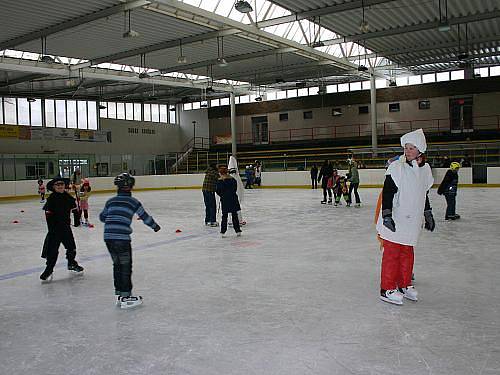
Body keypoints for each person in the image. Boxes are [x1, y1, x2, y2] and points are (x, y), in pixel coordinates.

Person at [376, 129, 435, 305]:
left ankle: (404, 284)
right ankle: (386, 289)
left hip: (413, 219)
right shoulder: (397, 167)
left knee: (407, 253)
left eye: (411, 148)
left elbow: (423, 193)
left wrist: (428, 212)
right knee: (392, 254)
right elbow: (388, 192)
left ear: (420, 151)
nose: (407, 151)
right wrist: (386, 215)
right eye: (406, 148)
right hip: (396, 217)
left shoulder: (425, 170)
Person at [99, 173, 161, 309]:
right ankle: (126, 296)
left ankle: (119, 294)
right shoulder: (133, 202)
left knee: (117, 265)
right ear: (131, 187)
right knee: (126, 266)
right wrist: (155, 226)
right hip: (122, 239)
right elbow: (144, 216)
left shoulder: (110, 201)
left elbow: (102, 217)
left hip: (108, 237)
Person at [40, 176, 84, 282]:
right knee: (52, 251)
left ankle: (72, 263)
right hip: (54, 230)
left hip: (65, 228)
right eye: (57, 185)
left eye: (62, 185)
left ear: (65, 186)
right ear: (54, 187)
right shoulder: (51, 199)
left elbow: (75, 210)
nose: (60, 186)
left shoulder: (68, 197)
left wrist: (77, 220)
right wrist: (51, 228)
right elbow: (48, 215)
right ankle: (49, 269)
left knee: (71, 247)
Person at [216, 165, 242, 238]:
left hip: (225, 200)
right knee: (234, 215)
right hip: (233, 198)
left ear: (220, 173)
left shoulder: (220, 181)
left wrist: (222, 195)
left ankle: (223, 232)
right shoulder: (233, 179)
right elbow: (234, 189)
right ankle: (238, 231)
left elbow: (218, 191)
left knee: (224, 216)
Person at [228, 156, 246, 226]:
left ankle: (234, 220)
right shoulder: (235, 178)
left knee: (232, 207)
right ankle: (236, 220)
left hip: (232, 196)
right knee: (235, 207)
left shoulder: (231, 177)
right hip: (234, 196)